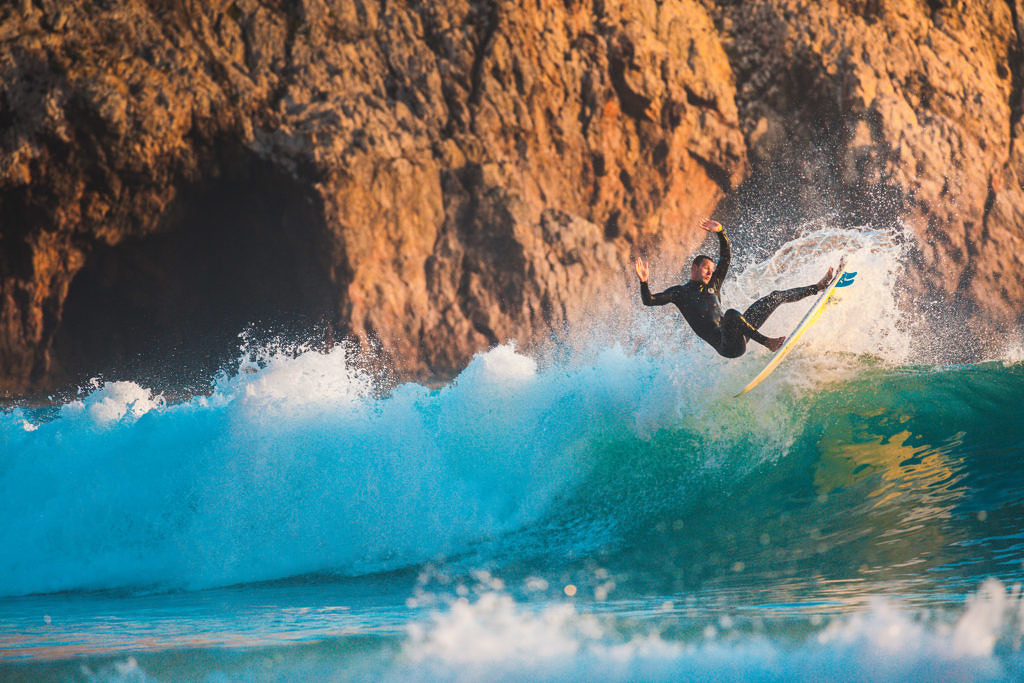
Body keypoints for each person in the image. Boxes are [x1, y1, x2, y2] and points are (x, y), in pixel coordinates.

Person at [634, 218, 833, 358]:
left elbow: (726, 257)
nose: (710, 273)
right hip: (727, 346)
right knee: (730, 313)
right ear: (694, 268)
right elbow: (649, 300)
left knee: (774, 297)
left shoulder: (713, 285)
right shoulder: (680, 293)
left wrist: (721, 232)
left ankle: (818, 286)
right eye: (706, 268)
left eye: (712, 270)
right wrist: (644, 282)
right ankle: (767, 343)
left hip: (740, 334)